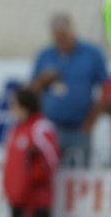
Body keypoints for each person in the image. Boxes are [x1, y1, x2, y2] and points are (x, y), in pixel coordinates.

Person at [31, 13, 107, 166]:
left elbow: (106, 87)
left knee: (78, 174)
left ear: (72, 32)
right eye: (57, 36)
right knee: (49, 173)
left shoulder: (92, 54)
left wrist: (92, 119)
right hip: (51, 128)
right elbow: (31, 91)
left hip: (80, 128)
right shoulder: (45, 56)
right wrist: (42, 81)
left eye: (64, 36)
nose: (60, 41)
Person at [3, 88, 60, 217]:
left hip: (35, 202)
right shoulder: (16, 129)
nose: (12, 109)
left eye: (14, 105)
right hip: (16, 200)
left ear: (24, 106)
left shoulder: (40, 128)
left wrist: (33, 181)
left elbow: (52, 161)